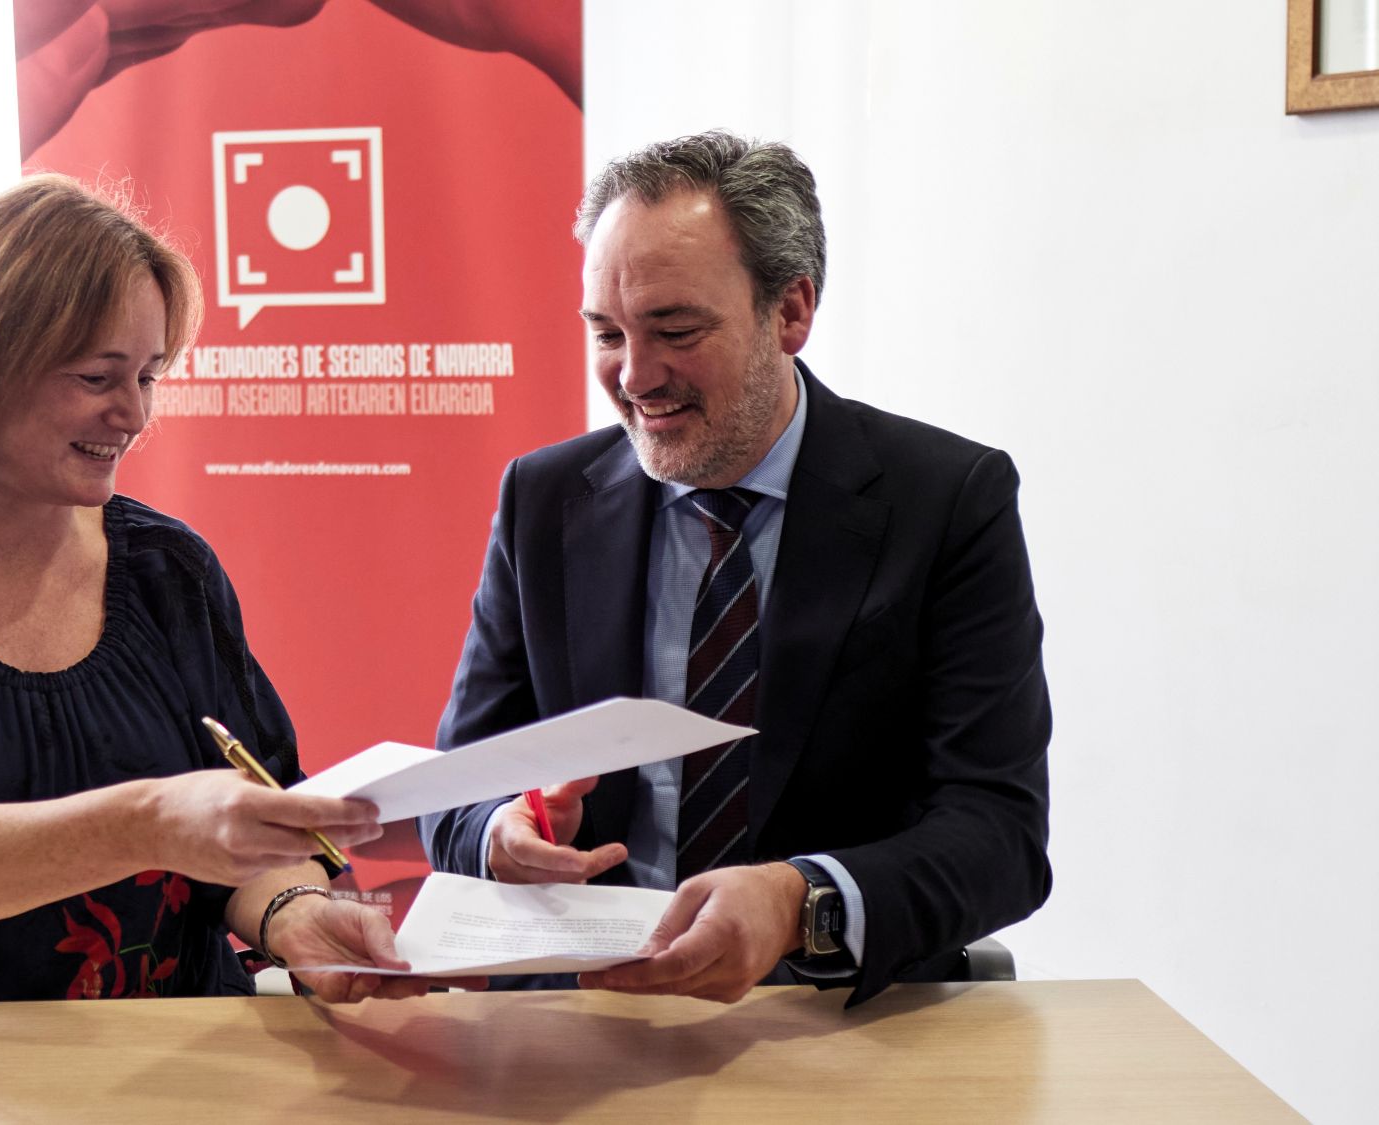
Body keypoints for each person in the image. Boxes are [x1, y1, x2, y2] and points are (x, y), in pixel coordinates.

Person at [0, 175, 467, 1005]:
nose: (133, 414)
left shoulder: (168, 566)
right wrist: (152, 822)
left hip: (159, 1053)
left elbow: (257, 831)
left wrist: (295, 912)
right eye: (97, 378)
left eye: (148, 378)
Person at [418, 131, 1051, 1005]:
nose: (635, 376)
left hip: (834, 1020)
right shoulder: (545, 497)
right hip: (581, 1011)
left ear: (790, 311)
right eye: (607, 333)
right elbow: (453, 789)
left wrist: (801, 902)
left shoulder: (945, 500)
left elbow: (999, 833)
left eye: (675, 331)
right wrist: (501, 833)